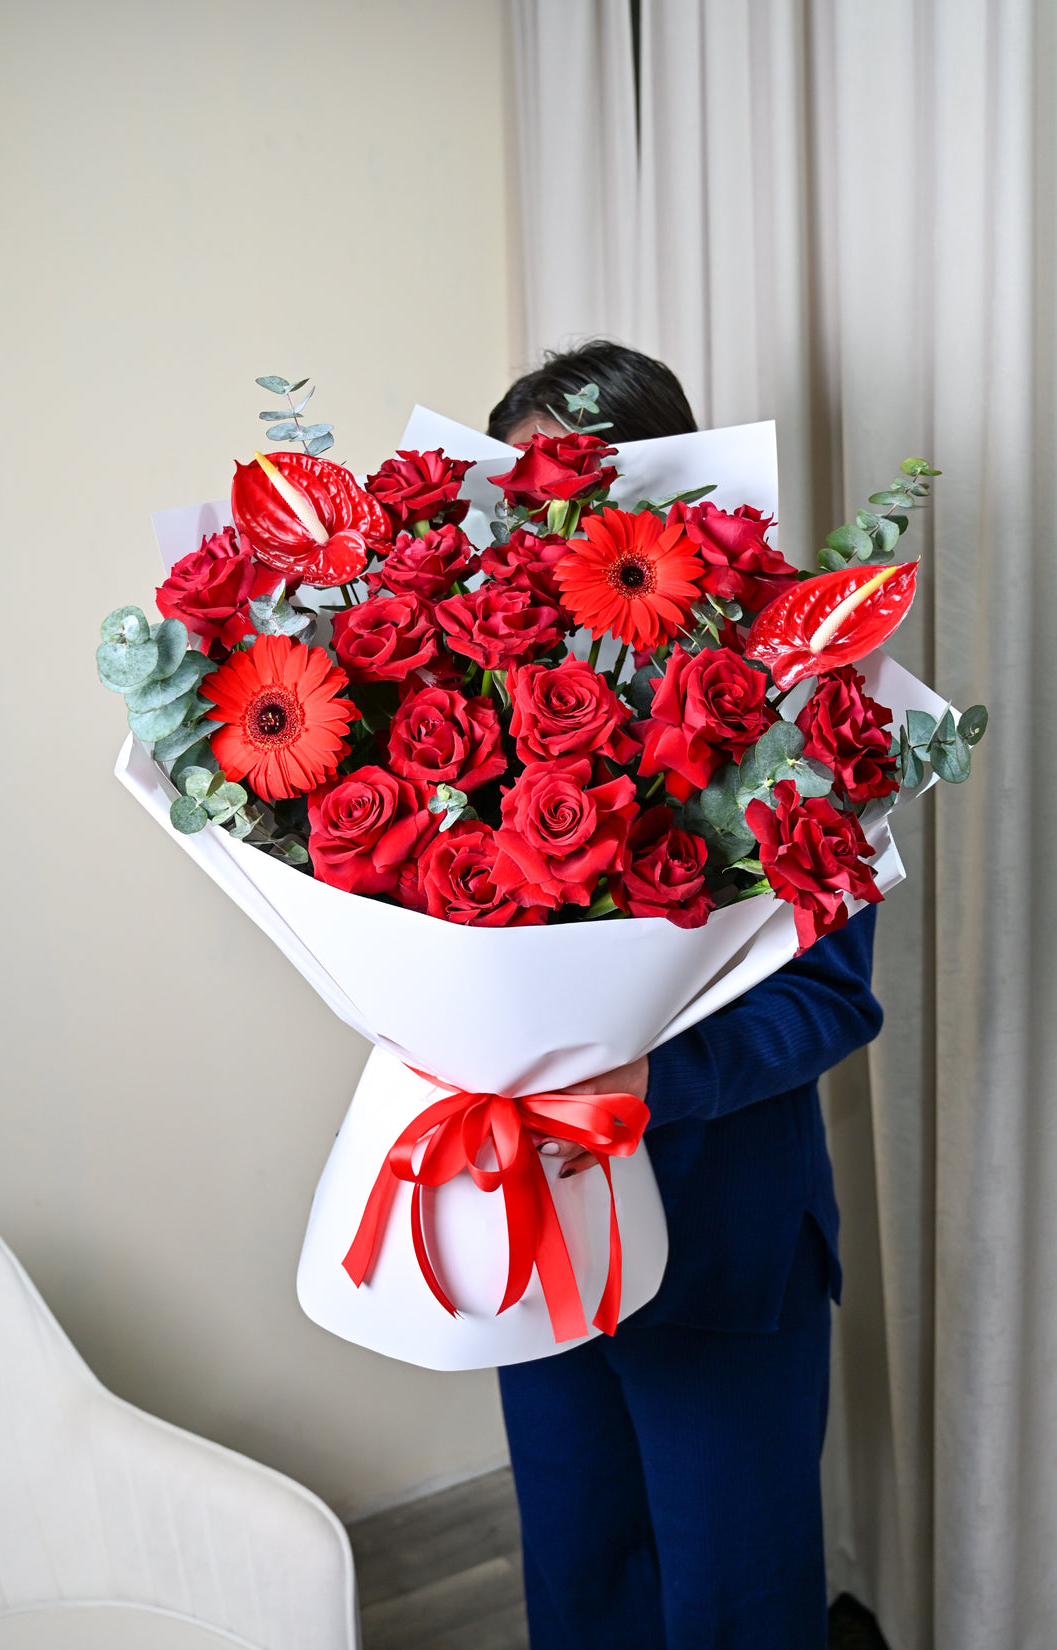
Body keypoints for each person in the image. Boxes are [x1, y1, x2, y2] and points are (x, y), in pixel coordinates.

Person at [488, 341, 883, 1650]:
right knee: (581, 1565)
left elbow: (832, 997)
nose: (551, 530)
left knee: (734, 1596)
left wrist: (656, 1079)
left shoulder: (796, 705)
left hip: (726, 1246)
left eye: (579, 494)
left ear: (664, 496)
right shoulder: (475, 701)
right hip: (541, 1234)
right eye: (525, 496)